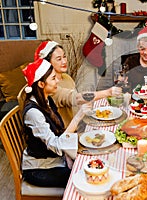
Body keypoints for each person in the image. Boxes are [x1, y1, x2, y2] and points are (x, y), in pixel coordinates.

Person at [21, 58, 86, 187]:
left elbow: (59, 133)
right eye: (53, 78)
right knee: (83, 177)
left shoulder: (47, 100)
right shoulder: (33, 113)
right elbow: (56, 145)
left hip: (55, 161)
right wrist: (78, 117)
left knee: (89, 165)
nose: (57, 81)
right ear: (41, 84)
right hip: (39, 169)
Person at [34, 41, 121, 127]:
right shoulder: (50, 87)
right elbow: (76, 98)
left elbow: (78, 104)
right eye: (59, 59)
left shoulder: (66, 77)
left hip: (82, 123)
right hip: (69, 132)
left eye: (64, 57)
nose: (64, 61)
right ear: (47, 63)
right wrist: (107, 92)